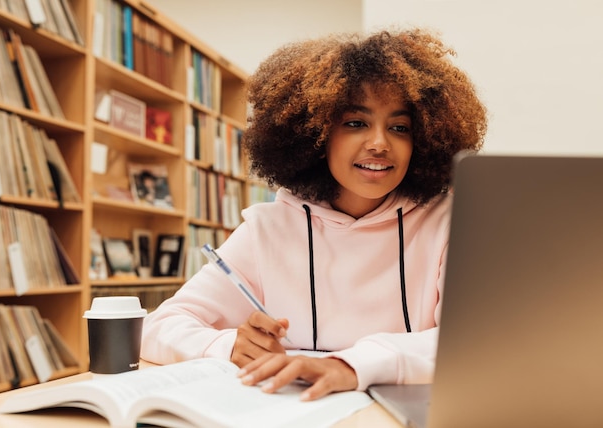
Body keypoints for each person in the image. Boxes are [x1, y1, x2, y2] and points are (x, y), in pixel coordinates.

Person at [141, 27, 487, 401]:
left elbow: (475, 341)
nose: (379, 144)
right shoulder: (268, 230)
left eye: (399, 128)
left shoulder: (450, 222)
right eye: (356, 123)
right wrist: (230, 347)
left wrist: (348, 366)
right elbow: (159, 326)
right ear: (316, 135)